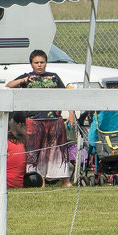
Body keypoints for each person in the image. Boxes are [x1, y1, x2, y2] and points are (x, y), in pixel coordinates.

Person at [6, 50, 75, 187]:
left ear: (46, 63)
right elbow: (8, 86)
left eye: (42, 62)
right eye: (36, 63)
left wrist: (71, 114)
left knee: (59, 151)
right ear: (31, 64)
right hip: (34, 121)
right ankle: (40, 181)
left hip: (54, 120)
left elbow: (65, 96)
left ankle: (65, 180)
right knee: (36, 152)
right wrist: (23, 81)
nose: (39, 65)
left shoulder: (54, 77)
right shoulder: (27, 78)